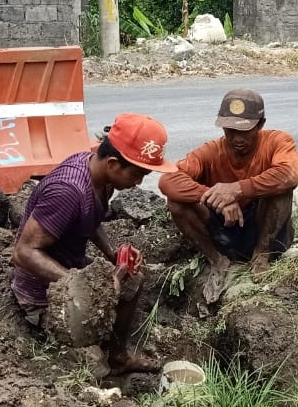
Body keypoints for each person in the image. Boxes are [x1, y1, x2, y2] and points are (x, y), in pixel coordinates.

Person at [11, 113, 178, 373]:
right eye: (138, 174)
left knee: (133, 279)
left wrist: (112, 254)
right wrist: (82, 288)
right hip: (42, 291)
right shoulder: (67, 191)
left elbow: (90, 217)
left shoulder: (102, 179)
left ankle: (118, 356)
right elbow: (23, 253)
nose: (140, 182)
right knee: (93, 367)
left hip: (73, 268)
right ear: (113, 163)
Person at [159, 89, 298, 303]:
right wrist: (214, 197)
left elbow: (289, 174)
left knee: (281, 190)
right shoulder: (211, 151)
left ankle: (261, 256)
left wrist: (237, 189)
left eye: (244, 131)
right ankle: (217, 260)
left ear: (261, 124)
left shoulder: (277, 141)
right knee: (177, 202)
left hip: (266, 232)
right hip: (225, 231)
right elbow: (167, 181)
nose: (236, 138)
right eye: (230, 130)